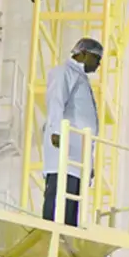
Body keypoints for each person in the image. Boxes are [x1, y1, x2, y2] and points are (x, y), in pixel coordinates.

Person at [42, 38, 102, 226]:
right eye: (96, 58)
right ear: (83, 53)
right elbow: (56, 101)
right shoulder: (64, 73)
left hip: (77, 154)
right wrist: (56, 130)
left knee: (71, 208)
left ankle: (66, 239)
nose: (99, 63)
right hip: (64, 148)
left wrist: (89, 164)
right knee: (59, 202)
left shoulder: (80, 78)